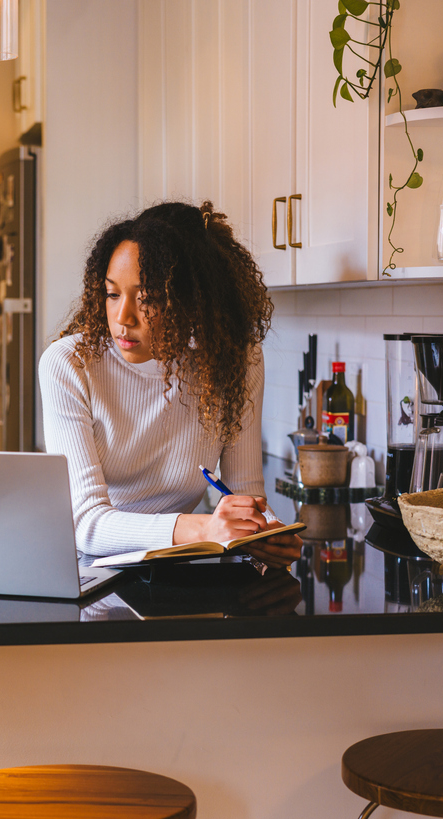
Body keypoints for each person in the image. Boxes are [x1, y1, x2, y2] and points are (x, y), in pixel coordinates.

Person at [39, 200, 301, 570]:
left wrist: (263, 534)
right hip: (87, 572)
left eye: (148, 299)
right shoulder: (70, 364)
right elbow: (87, 524)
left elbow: (245, 491)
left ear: (192, 302)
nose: (122, 317)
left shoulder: (235, 360)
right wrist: (204, 529)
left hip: (176, 568)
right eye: (113, 293)